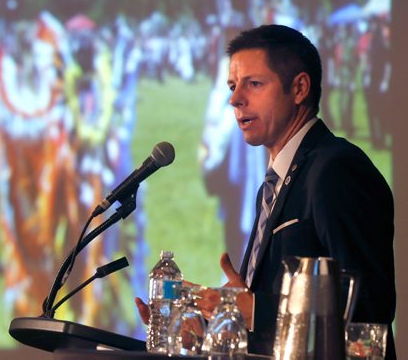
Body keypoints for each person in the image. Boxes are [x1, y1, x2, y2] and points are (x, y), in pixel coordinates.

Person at [135, 24, 396, 358]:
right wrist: (210, 323)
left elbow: (369, 310)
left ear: (299, 88)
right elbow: (264, 322)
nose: (234, 99)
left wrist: (252, 308)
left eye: (254, 84)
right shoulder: (272, 185)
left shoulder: (336, 169)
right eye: (232, 86)